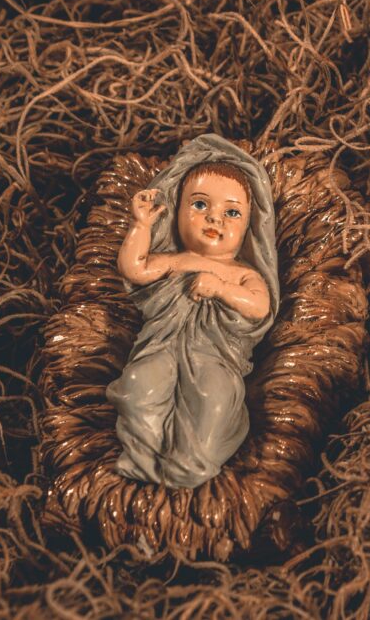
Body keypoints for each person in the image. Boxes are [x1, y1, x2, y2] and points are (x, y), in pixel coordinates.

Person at [105, 134, 279, 489]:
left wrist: (223, 289)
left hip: (214, 359)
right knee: (138, 385)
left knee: (214, 400)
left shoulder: (243, 273)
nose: (215, 219)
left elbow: (260, 306)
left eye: (232, 212)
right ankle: (146, 453)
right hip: (163, 348)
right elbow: (134, 268)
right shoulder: (174, 260)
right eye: (200, 205)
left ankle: (189, 465)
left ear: (248, 227)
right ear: (177, 208)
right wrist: (140, 226)